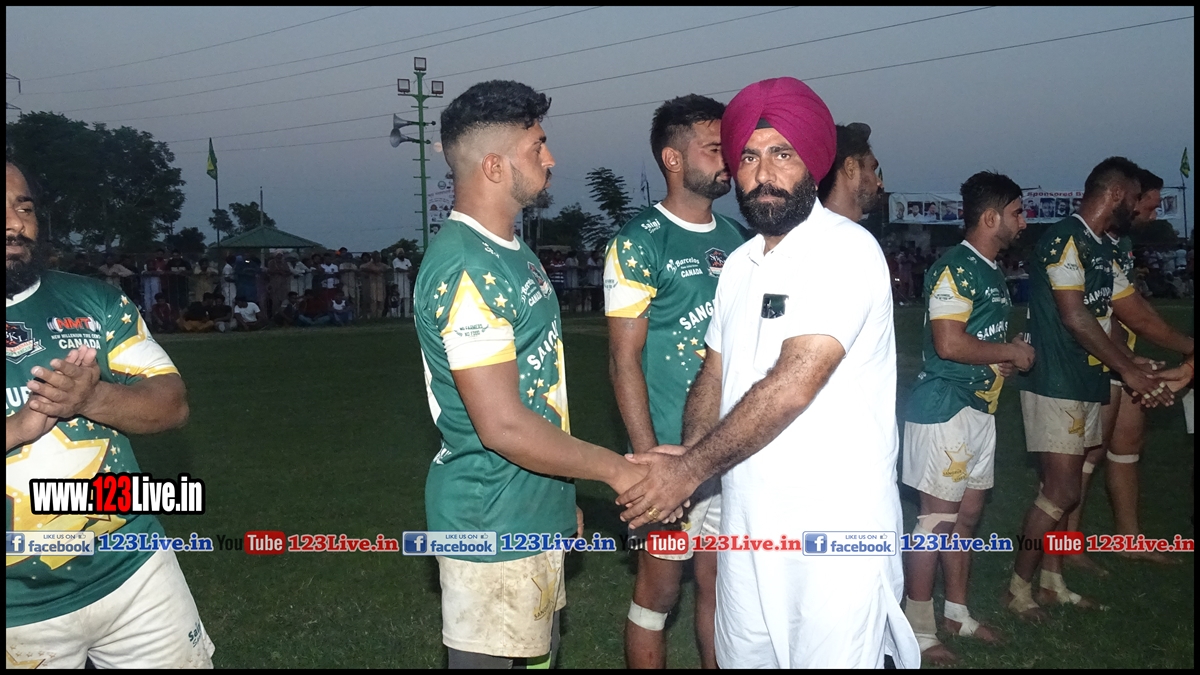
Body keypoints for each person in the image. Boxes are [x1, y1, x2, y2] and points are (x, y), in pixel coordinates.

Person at [615, 77, 919, 668]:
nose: (763, 174)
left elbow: (793, 383)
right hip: (748, 526)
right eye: (750, 157)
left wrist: (689, 471)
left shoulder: (845, 249)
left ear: (814, 162)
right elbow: (714, 375)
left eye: (782, 154)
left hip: (836, 530)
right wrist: (688, 458)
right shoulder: (739, 265)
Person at [415, 79, 650, 669]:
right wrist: (616, 471)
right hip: (489, 522)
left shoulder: (510, 252)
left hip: (527, 507)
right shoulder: (468, 266)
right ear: (494, 166)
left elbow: (536, 397)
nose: (551, 158)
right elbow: (503, 426)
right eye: (537, 146)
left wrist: (556, 497)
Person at [5, 160, 213, 667]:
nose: (14, 223)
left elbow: (172, 405)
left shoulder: (93, 301)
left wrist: (90, 398)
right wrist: (19, 426)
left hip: (137, 572)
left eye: (23, 207)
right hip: (16, 608)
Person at [602, 94, 745, 670]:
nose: (728, 159)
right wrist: (647, 464)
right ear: (673, 158)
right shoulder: (638, 242)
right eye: (714, 148)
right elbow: (623, 360)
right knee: (658, 594)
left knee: (722, 587)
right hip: (668, 454)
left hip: (732, 448)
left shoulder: (740, 239)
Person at [1005, 156, 1174, 621]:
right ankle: (1017, 589)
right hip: (1056, 379)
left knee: (1068, 490)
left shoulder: (1099, 245)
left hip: (1084, 377)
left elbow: (1115, 314)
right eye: (1134, 197)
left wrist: (1137, 361)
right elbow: (1076, 317)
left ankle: (1052, 581)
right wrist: (1130, 371)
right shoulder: (1066, 238)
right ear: (1115, 194)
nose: (1136, 206)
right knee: (1060, 490)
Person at [901, 172, 1033, 664]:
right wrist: (1010, 352)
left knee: (968, 516)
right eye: (1017, 212)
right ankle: (917, 628)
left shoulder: (991, 270)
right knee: (936, 520)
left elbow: (976, 342)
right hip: (945, 408)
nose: (1024, 221)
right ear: (991, 217)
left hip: (979, 408)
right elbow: (949, 343)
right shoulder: (955, 267)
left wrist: (1001, 355)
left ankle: (957, 613)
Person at [1064, 167, 1195, 573]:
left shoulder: (1118, 244)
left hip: (1124, 358)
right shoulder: (1089, 242)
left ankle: (1128, 539)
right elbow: (1124, 314)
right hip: (1098, 359)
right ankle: (1067, 545)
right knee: (1086, 454)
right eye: (1148, 206)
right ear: (1128, 199)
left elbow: (1131, 309)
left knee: (1126, 447)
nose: (1153, 215)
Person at [817, 121, 883, 224]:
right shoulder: (852, 234)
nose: (879, 183)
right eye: (872, 168)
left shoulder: (802, 229)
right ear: (850, 168)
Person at [360, 252, 388, 319]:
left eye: (379, 257)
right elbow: (362, 267)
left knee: (381, 301)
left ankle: (379, 317)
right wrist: (372, 270)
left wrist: (383, 270)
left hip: (381, 284)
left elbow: (389, 268)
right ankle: (373, 317)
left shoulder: (382, 265)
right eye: (376, 257)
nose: (378, 258)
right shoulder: (369, 264)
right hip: (372, 284)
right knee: (373, 301)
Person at [141, 248, 168, 314]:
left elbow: (162, 272)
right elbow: (143, 272)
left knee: (156, 295)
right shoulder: (145, 272)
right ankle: (148, 311)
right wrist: (148, 272)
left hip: (160, 283)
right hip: (148, 283)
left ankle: (156, 311)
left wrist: (155, 273)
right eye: (149, 265)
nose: (151, 266)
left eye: (152, 264)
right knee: (147, 297)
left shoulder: (164, 263)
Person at [267, 251, 292, 318]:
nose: (279, 256)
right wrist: (279, 272)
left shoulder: (284, 262)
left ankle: (282, 316)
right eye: (278, 255)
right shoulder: (271, 262)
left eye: (280, 255)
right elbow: (270, 271)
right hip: (274, 284)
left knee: (283, 300)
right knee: (275, 301)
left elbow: (289, 272)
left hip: (283, 284)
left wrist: (284, 273)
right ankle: (274, 316)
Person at [391, 248, 413, 317]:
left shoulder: (407, 261)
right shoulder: (395, 261)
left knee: (407, 298)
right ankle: (398, 314)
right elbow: (398, 269)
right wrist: (407, 271)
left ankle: (407, 314)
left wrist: (409, 271)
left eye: (402, 253)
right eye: (400, 253)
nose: (401, 255)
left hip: (406, 282)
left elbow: (410, 267)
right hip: (398, 282)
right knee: (399, 297)